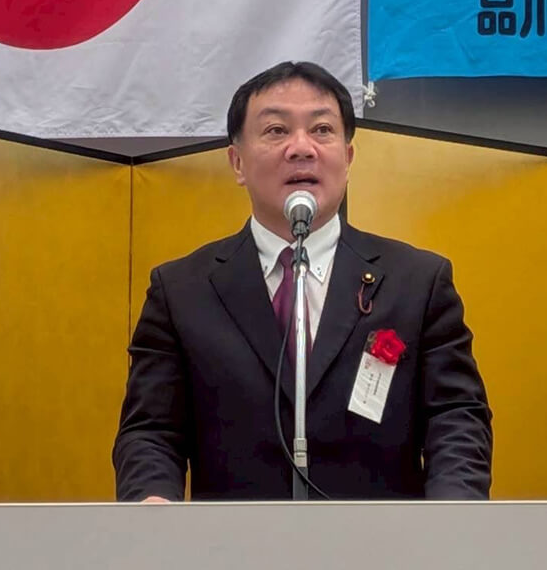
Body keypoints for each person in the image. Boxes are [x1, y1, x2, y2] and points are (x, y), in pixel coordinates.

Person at [113, 61, 492, 501]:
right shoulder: (181, 291)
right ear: (237, 162)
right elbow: (151, 432)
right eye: (276, 130)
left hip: (383, 539)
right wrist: (153, 503)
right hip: (233, 539)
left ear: (348, 159)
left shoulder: (418, 282)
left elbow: (456, 416)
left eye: (322, 130)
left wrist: (453, 509)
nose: (301, 148)